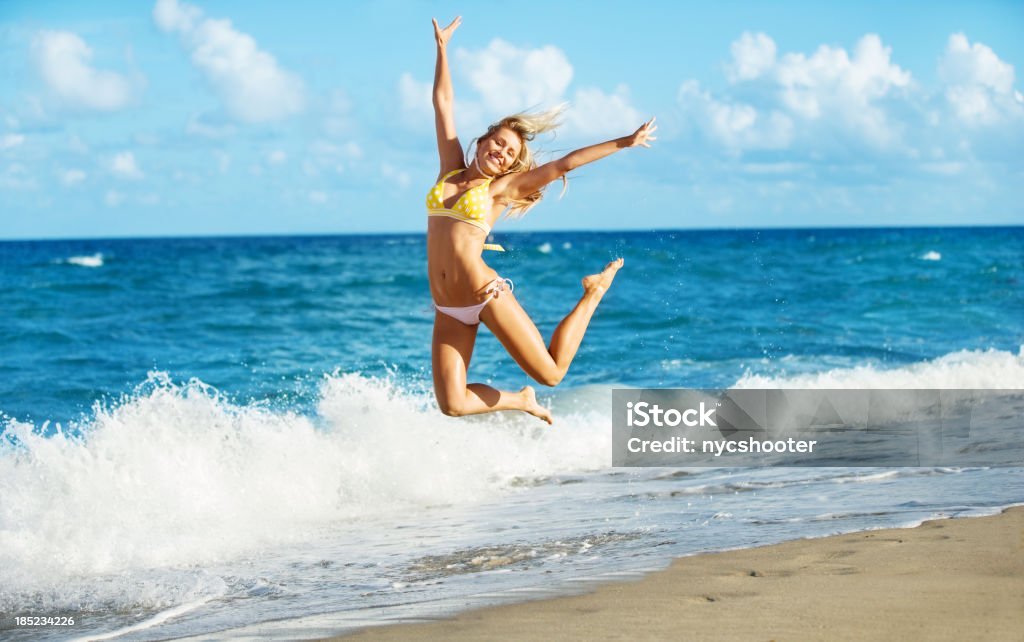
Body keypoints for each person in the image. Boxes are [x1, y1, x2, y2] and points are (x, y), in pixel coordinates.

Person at [427, 16, 656, 424]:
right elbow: (443, 105)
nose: (502, 152)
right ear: (481, 141)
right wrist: (443, 50)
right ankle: (521, 400)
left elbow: (564, 163)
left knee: (552, 372)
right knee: (453, 404)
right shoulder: (449, 170)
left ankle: (593, 293)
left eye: (510, 153)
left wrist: (624, 141)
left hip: (485, 294)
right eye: (498, 142)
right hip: (448, 308)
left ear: (511, 165)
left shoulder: (498, 190)